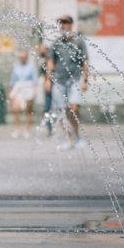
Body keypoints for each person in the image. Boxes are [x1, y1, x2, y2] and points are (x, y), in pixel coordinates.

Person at [45, 15, 90, 149]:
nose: (64, 25)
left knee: (74, 108)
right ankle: (68, 139)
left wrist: (85, 80)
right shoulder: (56, 43)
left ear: (71, 24)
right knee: (62, 112)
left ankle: (77, 136)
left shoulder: (79, 42)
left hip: (74, 79)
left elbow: (85, 62)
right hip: (59, 81)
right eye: (61, 23)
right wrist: (48, 80)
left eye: (66, 22)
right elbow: (50, 62)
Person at [8, 49, 38, 139]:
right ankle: (17, 128)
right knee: (16, 109)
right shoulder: (16, 66)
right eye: (21, 57)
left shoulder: (31, 67)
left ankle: (27, 129)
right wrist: (11, 91)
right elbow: (13, 80)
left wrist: (35, 91)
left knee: (28, 110)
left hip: (28, 87)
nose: (22, 59)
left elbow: (35, 80)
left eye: (24, 57)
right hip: (18, 87)